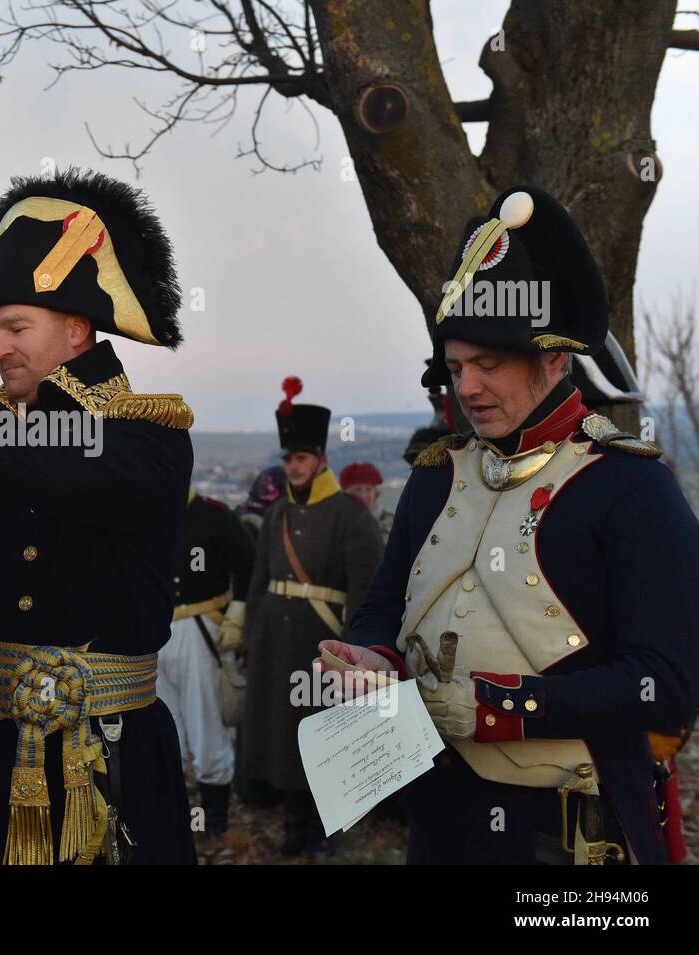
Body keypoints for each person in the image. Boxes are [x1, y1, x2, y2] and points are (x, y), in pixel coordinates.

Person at [322, 185, 699, 864]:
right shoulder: (437, 474)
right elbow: (381, 608)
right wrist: (370, 655)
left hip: (567, 830)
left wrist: (500, 708)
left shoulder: (632, 485)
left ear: (555, 359)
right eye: (458, 367)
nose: (465, 388)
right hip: (440, 819)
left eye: (488, 365)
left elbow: (665, 682)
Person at [0, 168, 196, 864]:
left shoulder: (148, 436)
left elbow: (59, 465)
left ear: (76, 330)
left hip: (99, 754)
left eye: (15, 327)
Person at [240, 378, 384, 856]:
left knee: (324, 735)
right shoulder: (277, 513)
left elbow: (366, 591)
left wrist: (357, 649)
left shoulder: (350, 514)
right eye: (288, 460)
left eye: (300, 459)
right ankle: (295, 823)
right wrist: (249, 636)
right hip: (275, 644)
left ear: (320, 460)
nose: (293, 467)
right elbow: (259, 579)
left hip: (326, 646)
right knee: (282, 737)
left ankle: (327, 827)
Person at [158, 487, 254, 841]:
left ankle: (215, 821)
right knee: (166, 728)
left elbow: (248, 565)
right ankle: (176, 814)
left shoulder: (214, 515)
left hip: (200, 632)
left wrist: (237, 617)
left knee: (205, 725)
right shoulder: (141, 511)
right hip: (153, 635)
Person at [339, 461, 393, 539]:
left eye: (369, 489)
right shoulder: (335, 524)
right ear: (344, 492)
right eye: (357, 490)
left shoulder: (391, 523)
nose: (363, 495)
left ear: (375, 492)